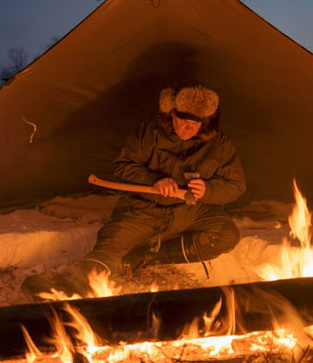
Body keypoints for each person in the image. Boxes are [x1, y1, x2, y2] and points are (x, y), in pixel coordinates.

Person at [76, 82, 246, 291]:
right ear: (172, 114)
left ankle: (149, 256)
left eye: (196, 124)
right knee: (109, 247)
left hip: (190, 212)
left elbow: (237, 185)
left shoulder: (219, 145)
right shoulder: (150, 134)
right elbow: (122, 166)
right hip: (144, 210)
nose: (189, 129)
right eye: (183, 121)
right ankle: (74, 289)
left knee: (226, 235)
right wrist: (154, 180)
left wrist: (208, 190)